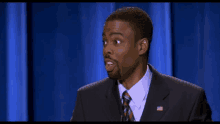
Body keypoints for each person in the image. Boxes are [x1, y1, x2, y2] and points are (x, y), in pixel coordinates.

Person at [70, 7, 213, 122]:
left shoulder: (188, 100)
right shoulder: (88, 99)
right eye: (104, 42)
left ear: (141, 47)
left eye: (116, 42)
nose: (107, 49)